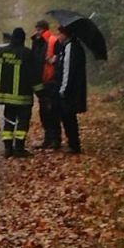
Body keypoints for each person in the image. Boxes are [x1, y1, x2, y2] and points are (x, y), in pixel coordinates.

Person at [0, 26, 39, 158]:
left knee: (9, 121)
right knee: (22, 122)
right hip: (23, 96)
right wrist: (41, 93)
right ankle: (19, 148)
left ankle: (8, 149)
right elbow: (33, 75)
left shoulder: (1, 52)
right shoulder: (27, 53)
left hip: (6, 97)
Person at [52, 24, 87, 153]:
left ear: (65, 34)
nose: (57, 36)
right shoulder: (66, 47)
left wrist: (63, 89)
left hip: (70, 91)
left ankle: (74, 144)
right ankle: (72, 143)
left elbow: (68, 70)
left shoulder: (71, 47)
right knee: (67, 117)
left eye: (59, 34)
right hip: (70, 89)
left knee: (68, 117)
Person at [33, 20, 60, 149]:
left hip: (51, 82)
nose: (36, 32)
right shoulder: (37, 43)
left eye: (38, 30)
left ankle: (55, 139)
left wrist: (53, 61)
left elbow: (59, 58)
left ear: (43, 29)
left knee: (52, 112)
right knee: (44, 112)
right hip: (42, 82)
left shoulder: (53, 41)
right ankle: (48, 139)